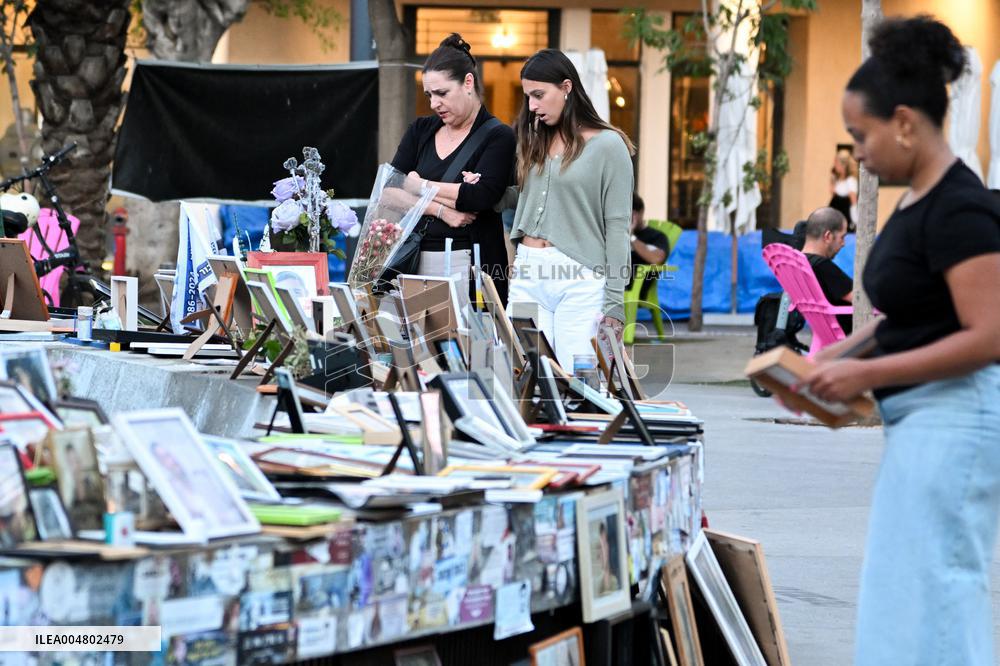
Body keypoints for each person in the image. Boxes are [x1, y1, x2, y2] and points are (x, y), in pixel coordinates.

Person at [803, 16, 1000, 666]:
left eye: (863, 134)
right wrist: (847, 352)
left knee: (938, 595)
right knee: (902, 593)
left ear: (907, 123)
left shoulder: (961, 207)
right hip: (923, 422)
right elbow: (915, 313)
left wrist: (866, 375)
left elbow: (989, 334)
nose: (856, 150)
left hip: (957, 420)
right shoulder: (920, 198)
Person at [506, 49, 635, 371]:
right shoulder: (535, 140)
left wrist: (615, 305)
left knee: (579, 379)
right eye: (528, 97)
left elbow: (618, 226)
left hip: (579, 275)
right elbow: (525, 200)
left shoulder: (609, 145)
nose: (532, 106)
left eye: (539, 95)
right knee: (523, 374)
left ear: (566, 87)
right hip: (528, 270)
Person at [390, 33, 516, 305]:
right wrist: (440, 209)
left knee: (469, 345)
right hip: (413, 262)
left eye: (442, 93)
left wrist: (417, 186)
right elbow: (388, 191)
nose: (434, 103)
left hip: (471, 265)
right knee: (419, 346)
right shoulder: (420, 130)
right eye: (429, 95)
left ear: (468, 82)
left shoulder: (498, 136)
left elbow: (481, 197)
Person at [800, 207, 853, 334]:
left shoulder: (798, 262)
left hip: (822, 330)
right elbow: (861, 298)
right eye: (842, 237)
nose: (844, 243)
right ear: (828, 236)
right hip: (846, 334)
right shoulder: (822, 266)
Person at [626, 192, 670, 297]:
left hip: (633, 287)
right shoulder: (616, 234)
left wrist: (631, 236)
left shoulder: (657, 236)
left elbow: (657, 259)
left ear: (640, 213)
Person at [829, 148, 858, 231]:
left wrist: (855, 220)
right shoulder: (839, 179)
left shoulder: (850, 181)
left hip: (845, 219)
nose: (834, 165)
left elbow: (853, 201)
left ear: (842, 165)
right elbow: (833, 193)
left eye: (836, 163)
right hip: (835, 218)